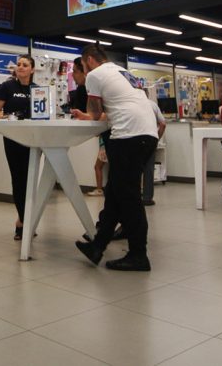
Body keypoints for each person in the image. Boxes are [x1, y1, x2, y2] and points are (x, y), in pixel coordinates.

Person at [74, 45, 159, 272]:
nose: (83, 70)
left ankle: (139, 255)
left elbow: (94, 112)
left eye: (82, 65)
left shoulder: (95, 75)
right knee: (115, 193)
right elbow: (114, 108)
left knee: (129, 198)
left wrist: (86, 116)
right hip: (146, 134)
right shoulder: (121, 71)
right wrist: (90, 115)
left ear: (89, 60)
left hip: (129, 136)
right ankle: (97, 247)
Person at [0, 55, 36, 240]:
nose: (21, 67)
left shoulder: (37, 89)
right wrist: (4, 118)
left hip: (33, 138)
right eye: (19, 64)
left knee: (30, 180)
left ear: (32, 69)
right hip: (13, 138)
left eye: (25, 65)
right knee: (18, 179)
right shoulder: (7, 87)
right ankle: (24, 221)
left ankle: (23, 221)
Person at [68, 57, 106, 197]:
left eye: (76, 71)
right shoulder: (83, 89)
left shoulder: (93, 86)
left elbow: (101, 114)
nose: (73, 75)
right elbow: (95, 114)